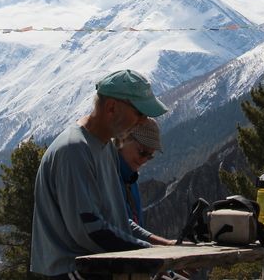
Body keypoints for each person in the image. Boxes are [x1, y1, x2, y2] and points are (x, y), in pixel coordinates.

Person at [31, 69, 172, 279]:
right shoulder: (74, 150)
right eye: (139, 113)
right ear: (112, 108)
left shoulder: (105, 148)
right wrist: (153, 254)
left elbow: (117, 223)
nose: (143, 121)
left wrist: (165, 246)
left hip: (99, 268)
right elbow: (90, 231)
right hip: (73, 271)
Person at [117, 118, 163, 227]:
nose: (144, 160)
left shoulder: (132, 180)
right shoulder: (108, 175)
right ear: (125, 138)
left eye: (150, 156)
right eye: (142, 152)